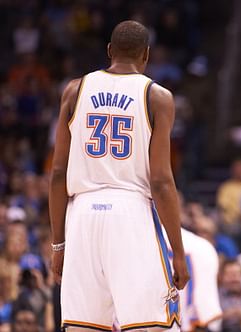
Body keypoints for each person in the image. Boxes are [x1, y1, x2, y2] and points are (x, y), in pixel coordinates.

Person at [49, 20, 189, 331]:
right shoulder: (157, 96)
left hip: (82, 214)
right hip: (131, 214)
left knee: (83, 326)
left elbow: (58, 174)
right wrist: (177, 251)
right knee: (150, 325)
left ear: (109, 51)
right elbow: (162, 182)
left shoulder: (74, 90)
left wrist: (58, 244)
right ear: (147, 55)